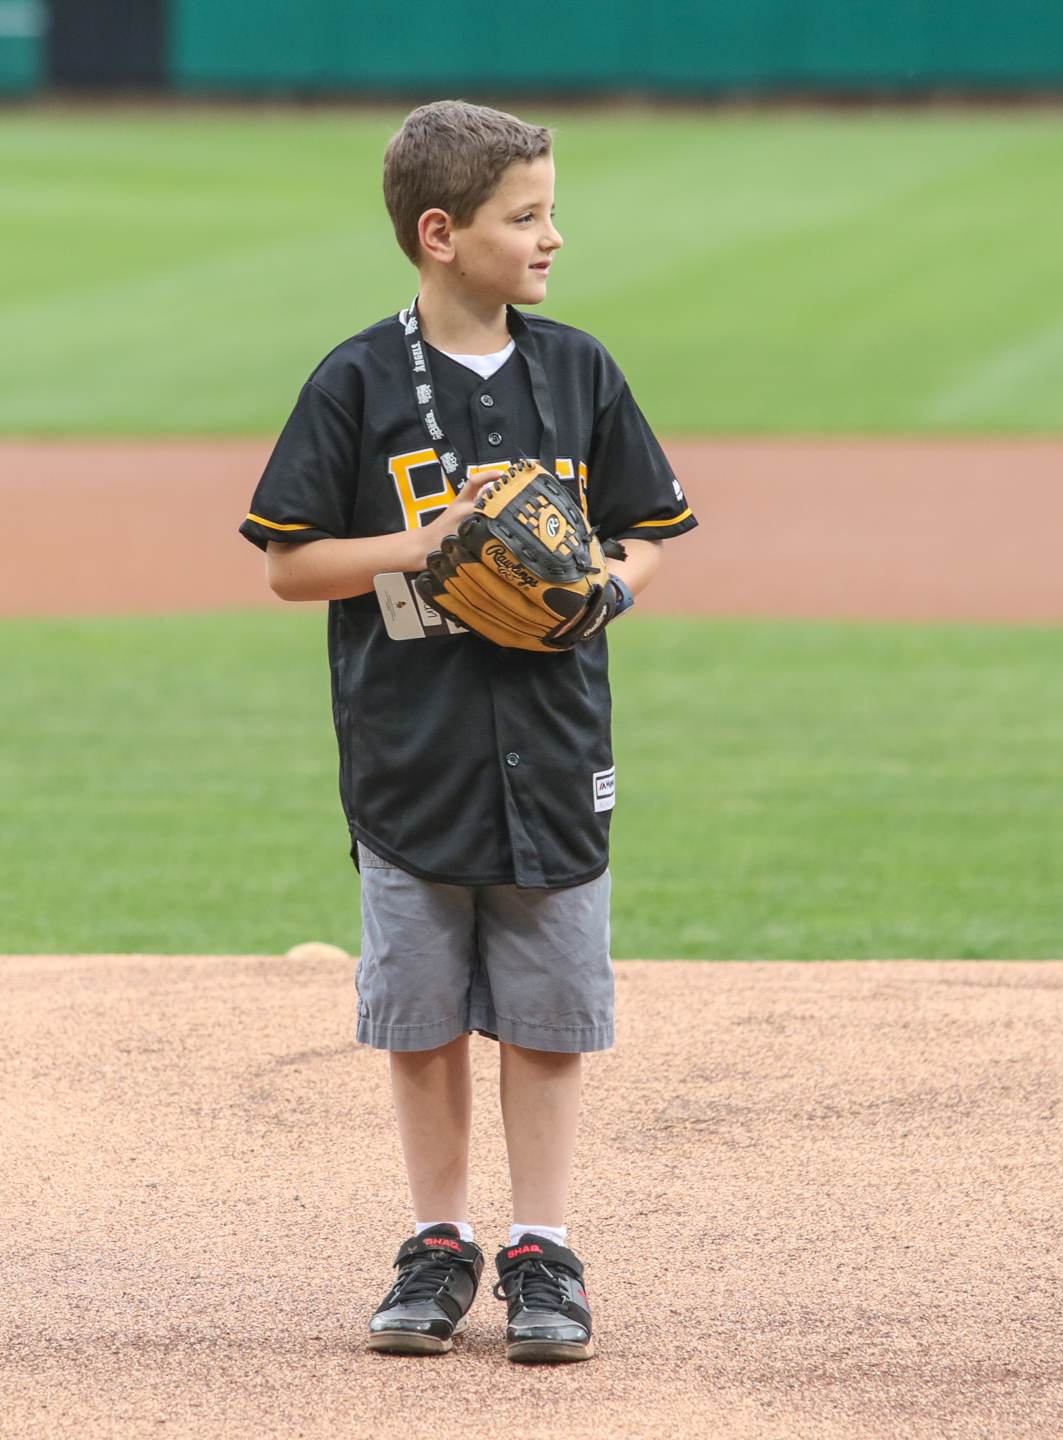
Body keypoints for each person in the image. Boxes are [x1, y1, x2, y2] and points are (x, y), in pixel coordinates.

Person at [238, 99, 697, 1363]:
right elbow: (289, 565)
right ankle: (439, 1242)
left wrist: (608, 588)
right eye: (527, 215)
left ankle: (543, 1251)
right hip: (413, 747)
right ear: (441, 234)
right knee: (425, 1014)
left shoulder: (581, 370)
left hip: (552, 743)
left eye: (549, 210)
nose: (554, 235)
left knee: (549, 1014)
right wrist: (427, 545)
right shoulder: (358, 380)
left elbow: (650, 532)